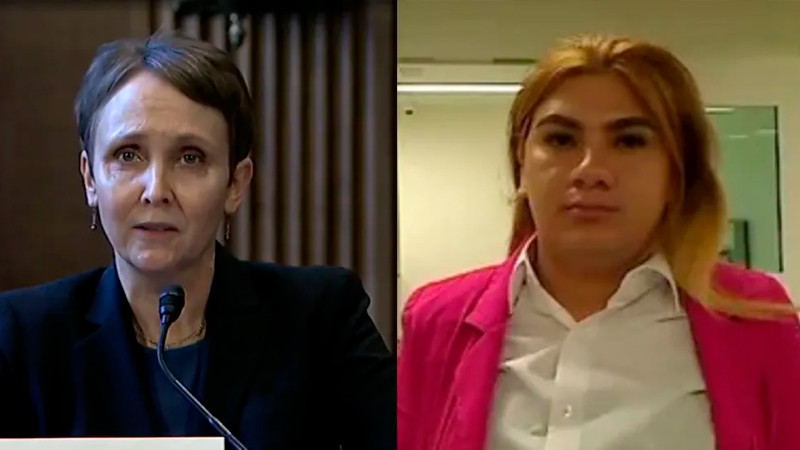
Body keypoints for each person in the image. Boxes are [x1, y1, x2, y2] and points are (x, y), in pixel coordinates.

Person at [397, 34, 800, 450]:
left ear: (677, 170)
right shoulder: (437, 318)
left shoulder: (758, 318)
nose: (591, 171)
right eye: (561, 139)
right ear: (522, 159)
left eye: (629, 141)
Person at [0, 31, 396, 449]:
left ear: (235, 184)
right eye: (128, 155)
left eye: (190, 157)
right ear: (90, 179)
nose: (156, 190)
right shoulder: (21, 336)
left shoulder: (321, 317)